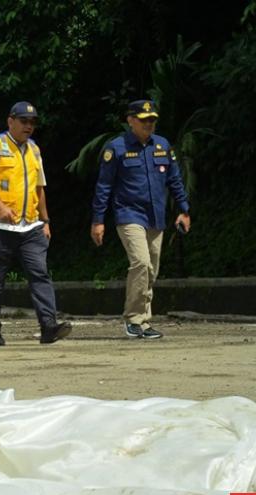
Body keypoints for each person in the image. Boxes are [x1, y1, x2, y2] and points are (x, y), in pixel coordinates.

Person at [91, 99, 191, 339]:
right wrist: (98, 220)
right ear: (131, 121)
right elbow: (104, 186)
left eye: (152, 120)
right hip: (129, 215)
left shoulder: (163, 145)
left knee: (151, 270)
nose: (149, 124)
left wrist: (184, 210)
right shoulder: (116, 148)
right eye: (144, 120)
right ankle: (134, 319)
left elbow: (175, 181)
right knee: (141, 264)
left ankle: (144, 322)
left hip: (156, 216)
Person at [0, 101, 72, 346]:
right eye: (23, 121)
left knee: (39, 274)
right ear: (11, 121)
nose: (28, 126)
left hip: (30, 227)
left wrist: (45, 221)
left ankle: (48, 326)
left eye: (32, 122)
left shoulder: (34, 150)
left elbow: (40, 188)